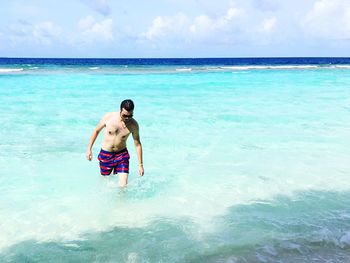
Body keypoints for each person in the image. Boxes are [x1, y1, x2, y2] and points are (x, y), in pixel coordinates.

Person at [86, 99, 144, 187]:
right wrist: (89, 149)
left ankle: (121, 200)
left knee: (123, 185)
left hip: (122, 155)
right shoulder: (109, 117)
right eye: (124, 115)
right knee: (105, 183)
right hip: (106, 155)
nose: (127, 118)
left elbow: (137, 144)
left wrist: (140, 165)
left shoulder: (133, 125)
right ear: (120, 110)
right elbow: (96, 131)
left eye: (130, 116)